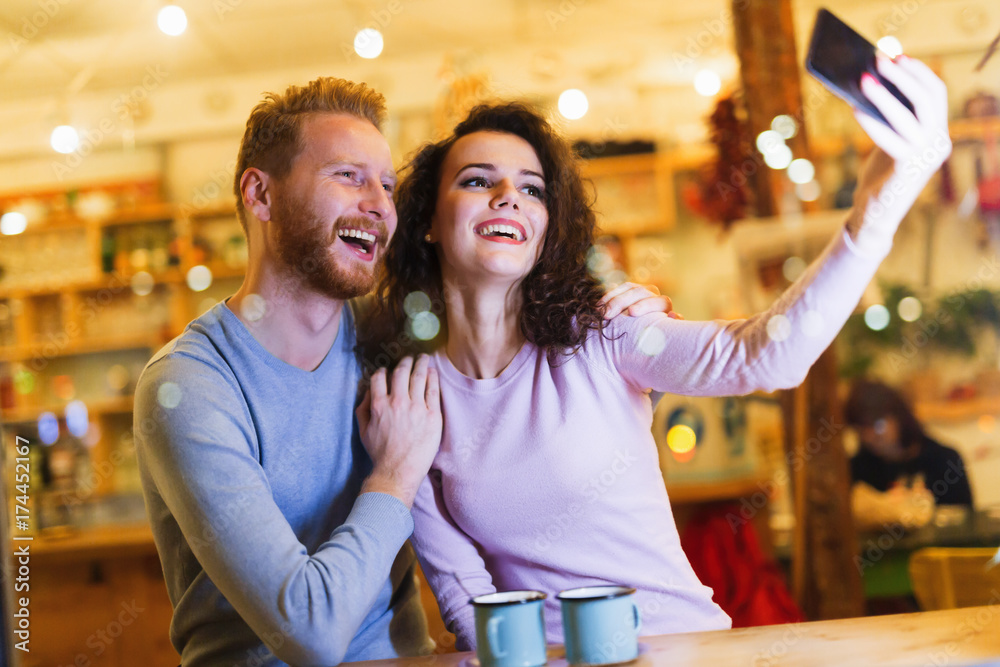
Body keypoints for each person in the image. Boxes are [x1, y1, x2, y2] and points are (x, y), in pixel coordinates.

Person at [359, 54, 952, 648]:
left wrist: (879, 203)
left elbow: (766, 355)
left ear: (546, 228)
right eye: (477, 180)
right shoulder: (412, 397)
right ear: (430, 221)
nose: (509, 195)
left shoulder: (603, 334)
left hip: (680, 648)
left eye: (532, 188)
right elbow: (466, 602)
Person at [133, 76, 669, 665]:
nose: (380, 205)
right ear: (260, 195)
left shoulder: (388, 338)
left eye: (387, 185)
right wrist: (394, 476)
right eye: (348, 176)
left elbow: (535, 383)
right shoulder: (188, 387)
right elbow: (308, 631)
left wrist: (634, 328)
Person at [845, 379, 973, 509]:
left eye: (877, 425)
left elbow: (965, 521)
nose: (869, 436)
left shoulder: (945, 460)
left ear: (899, 417)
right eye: (861, 429)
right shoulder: (858, 470)